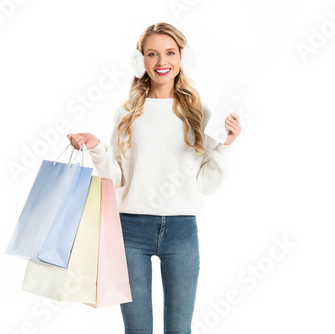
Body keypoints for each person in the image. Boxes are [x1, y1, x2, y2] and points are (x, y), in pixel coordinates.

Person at [67, 22, 241, 334]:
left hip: (182, 231)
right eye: (152, 53)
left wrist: (224, 146)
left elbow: (206, 185)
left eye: (170, 52)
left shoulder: (199, 113)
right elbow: (117, 179)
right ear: (140, 61)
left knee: (179, 330)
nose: (162, 62)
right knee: (137, 330)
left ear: (182, 58)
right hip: (131, 230)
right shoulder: (127, 112)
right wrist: (96, 148)